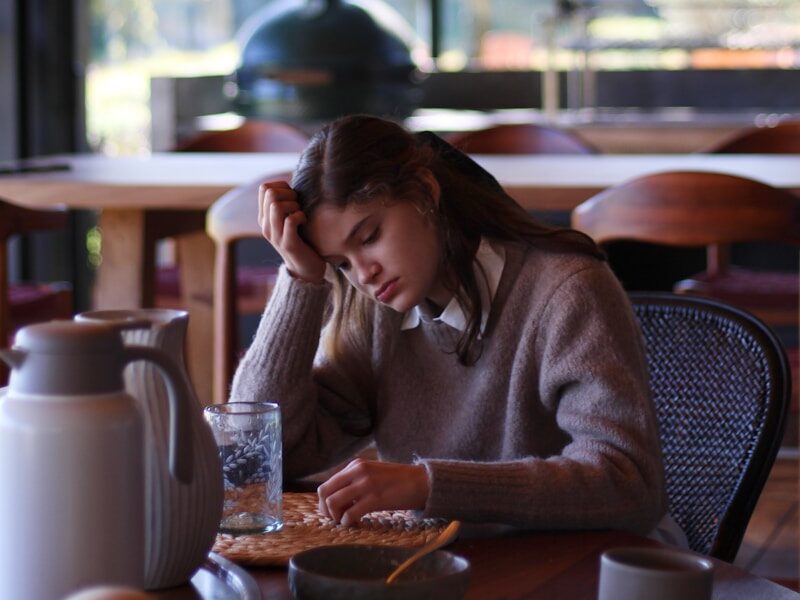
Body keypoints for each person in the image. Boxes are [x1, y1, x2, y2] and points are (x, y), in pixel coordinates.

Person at [230, 114, 675, 539]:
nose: (363, 274)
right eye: (340, 264)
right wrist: (300, 277)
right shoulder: (376, 315)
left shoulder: (567, 291)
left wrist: (427, 484)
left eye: (369, 237)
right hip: (445, 567)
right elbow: (260, 456)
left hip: (576, 569)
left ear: (425, 191)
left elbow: (628, 484)